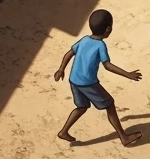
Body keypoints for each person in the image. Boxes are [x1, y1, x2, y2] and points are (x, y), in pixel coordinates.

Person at [54, 8, 143, 147]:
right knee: (110, 104)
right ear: (108, 29)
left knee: (82, 107)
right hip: (88, 83)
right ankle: (124, 137)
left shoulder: (84, 40)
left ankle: (63, 132)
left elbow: (69, 53)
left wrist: (61, 69)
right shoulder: (100, 45)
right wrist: (128, 74)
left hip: (74, 81)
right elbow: (107, 65)